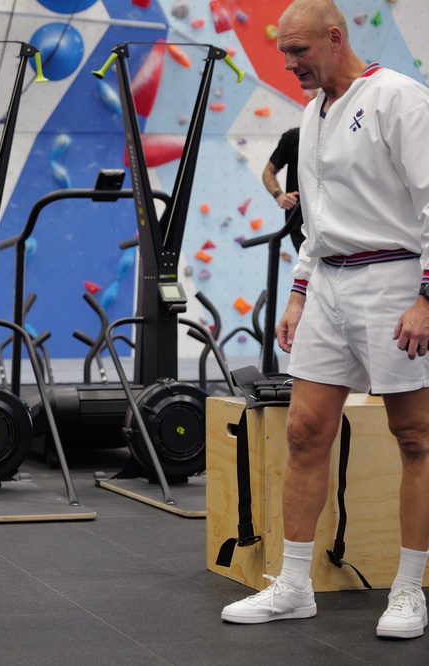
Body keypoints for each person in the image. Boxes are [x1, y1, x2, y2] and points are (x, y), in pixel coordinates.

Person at [221, 0, 429, 639]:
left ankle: (408, 591)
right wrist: (297, 295)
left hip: (395, 279)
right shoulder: (313, 114)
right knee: (305, 431)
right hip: (329, 286)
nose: (289, 64)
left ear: (335, 38)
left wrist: (426, 297)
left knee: (415, 436)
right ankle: (293, 586)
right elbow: (315, 222)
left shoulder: (399, 98)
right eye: (283, 52)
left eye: (299, 51)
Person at [262, 126, 304, 252]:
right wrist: (279, 196)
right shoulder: (296, 136)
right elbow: (268, 172)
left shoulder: (344, 137)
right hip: (301, 226)